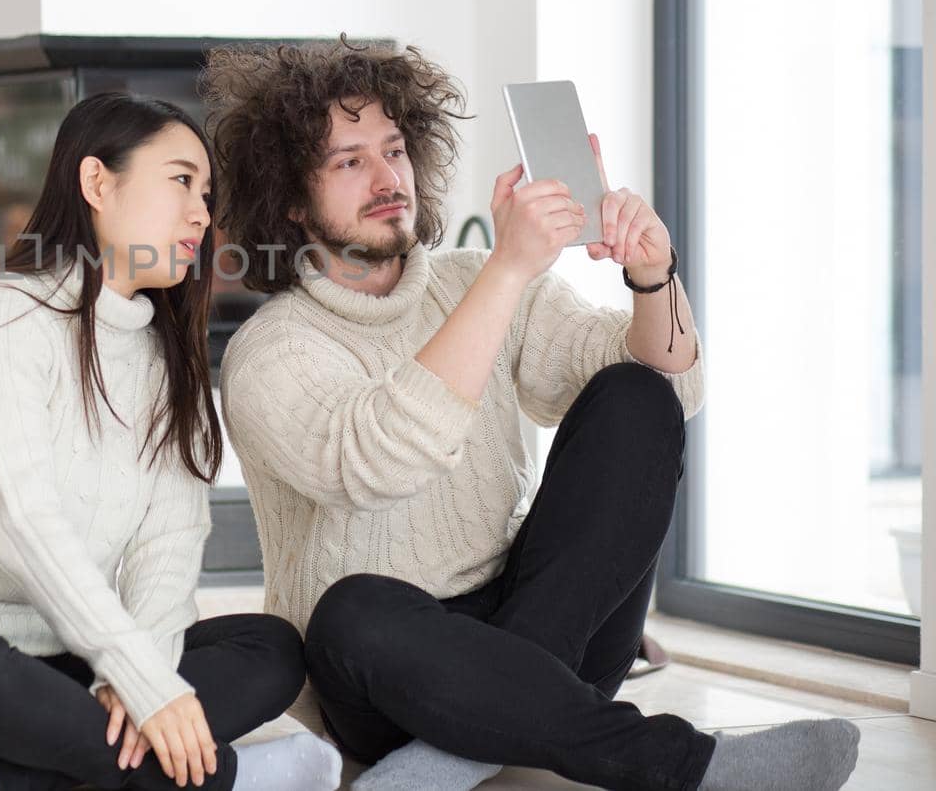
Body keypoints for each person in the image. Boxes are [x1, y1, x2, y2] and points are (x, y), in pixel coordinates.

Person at [204, 41, 861, 791]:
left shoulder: (467, 282)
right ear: (290, 196)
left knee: (634, 396)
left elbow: (671, 396)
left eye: (394, 148)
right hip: (386, 674)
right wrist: (509, 269)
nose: (389, 178)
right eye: (350, 161)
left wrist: (653, 273)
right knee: (350, 612)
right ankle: (684, 763)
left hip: (540, 629)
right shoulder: (269, 351)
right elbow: (378, 463)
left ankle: (456, 754)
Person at [0, 91, 341, 791]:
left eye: (208, 193)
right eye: (182, 181)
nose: (202, 213)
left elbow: (166, 552)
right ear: (98, 182)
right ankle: (227, 779)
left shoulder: (165, 364)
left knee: (272, 647)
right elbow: (21, 522)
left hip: (67, 662)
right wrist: (143, 683)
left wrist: (142, 679)